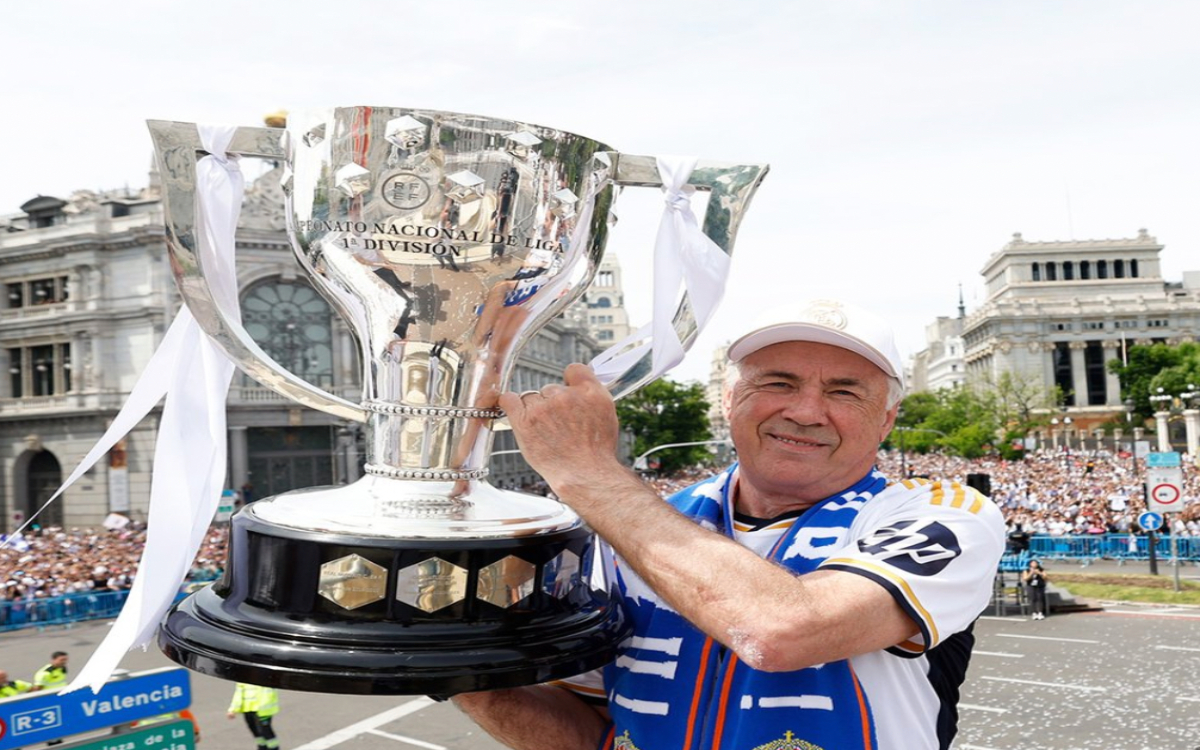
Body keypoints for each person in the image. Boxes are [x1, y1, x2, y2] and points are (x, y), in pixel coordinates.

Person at [454, 299, 1006, 750]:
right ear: (728, 397)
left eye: (844, 391)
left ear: (886, 419)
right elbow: (599, 734)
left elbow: (782, 631)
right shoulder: (632, 529)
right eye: (779, 383)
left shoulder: (945, 513)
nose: (807, 411)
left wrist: (588, 472)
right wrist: (462, 671)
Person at [227, 682, 280, 750]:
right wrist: (233, 709)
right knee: (256, 733)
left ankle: (274, 748)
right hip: (248, 709)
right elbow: (238, 693)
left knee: (265, 732)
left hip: (263, 710)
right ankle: (262, 748)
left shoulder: (264, 675)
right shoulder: (243, 678)